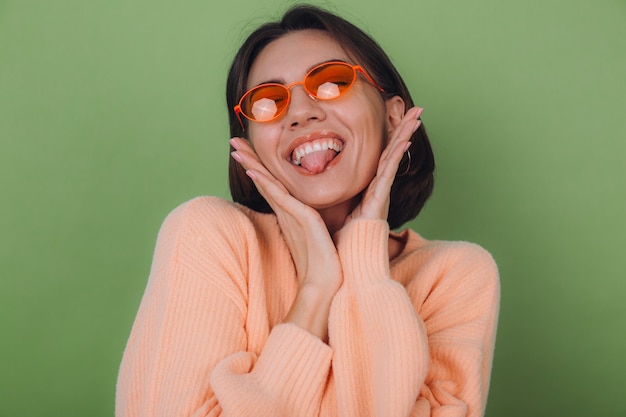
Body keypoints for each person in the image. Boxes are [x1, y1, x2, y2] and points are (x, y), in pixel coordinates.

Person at [115, 4, 500, 417]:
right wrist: (316, 286)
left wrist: (362, 262)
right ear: (250, 145)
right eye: (268, 102)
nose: (300, 113)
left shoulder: (455, 276)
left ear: (393, 117)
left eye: (332, 81)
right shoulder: (208, 235)